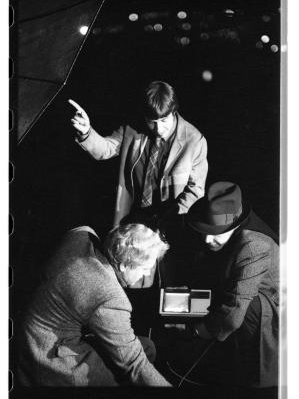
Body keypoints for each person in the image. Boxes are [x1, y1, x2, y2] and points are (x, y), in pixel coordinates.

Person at [17, 224, 172, 386]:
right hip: (46, 358)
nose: (147, 273)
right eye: (145, 268)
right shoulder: (109, 296)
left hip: (32, 332)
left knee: (147, 347)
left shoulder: (82, 233)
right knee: (123, 379)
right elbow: (134, 363)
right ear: (124, 265)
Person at [162, 181, 279, 387]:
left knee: (245, 308)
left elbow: (234, 312)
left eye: (215, 233)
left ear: (234, 225)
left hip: (270, 313)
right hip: (235, 295)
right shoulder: (221, 233)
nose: (207, 239)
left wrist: (194, 331)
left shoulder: (254, 245)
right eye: (205, 230)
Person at [69, 81, 208, 230]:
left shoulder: (194, 140)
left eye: (164, 121)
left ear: (174, 111)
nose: (159, 128)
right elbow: (106, 150)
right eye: (152, 122)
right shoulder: (132, 128)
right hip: (132, 217)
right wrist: (86, 132)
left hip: (168, 222)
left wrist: (172, 218)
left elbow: (195, 190)